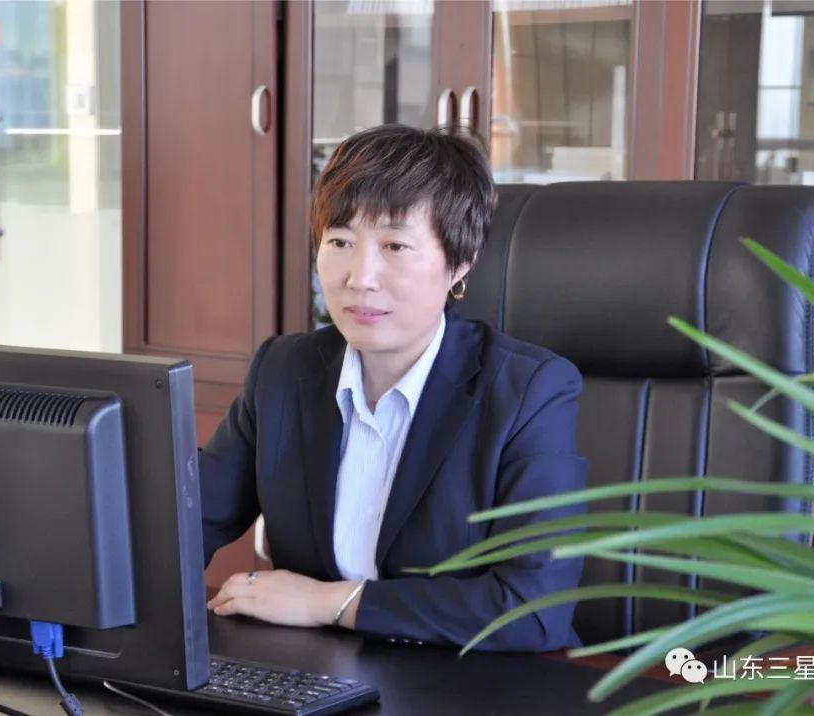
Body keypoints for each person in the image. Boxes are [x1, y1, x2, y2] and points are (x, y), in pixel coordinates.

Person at [200, 124, 586, 652]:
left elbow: (534, 610)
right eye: (340, 241)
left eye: (395, 245)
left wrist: (328, 602)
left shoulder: (529, 392)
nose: (360, 277)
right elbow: (184, 525)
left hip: (473, 680)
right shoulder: (283, 372)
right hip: (318, 675)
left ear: (460, 262)